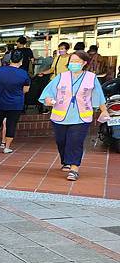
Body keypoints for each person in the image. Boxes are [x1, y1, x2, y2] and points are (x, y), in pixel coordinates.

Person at [39, 50, 109, 181]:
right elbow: (49, 92)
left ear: (84, 63)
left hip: (81, 116)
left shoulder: (91, 77)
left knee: (75, 141)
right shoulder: (61, 76)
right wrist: (48, 99)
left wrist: (104, 110)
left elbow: (98, 95)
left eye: (77, 61)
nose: (74, 64)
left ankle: (74, 168)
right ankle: (66, 161)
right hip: (60, 116)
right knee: (61, 141)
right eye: (71, 61)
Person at [0, 49, 31, 153]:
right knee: (11, 125)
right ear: (21, 61)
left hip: (0, 102)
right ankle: (7, 147)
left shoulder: (1, 71)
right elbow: (26, 90)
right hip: (16, 103)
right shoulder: (23, 74)